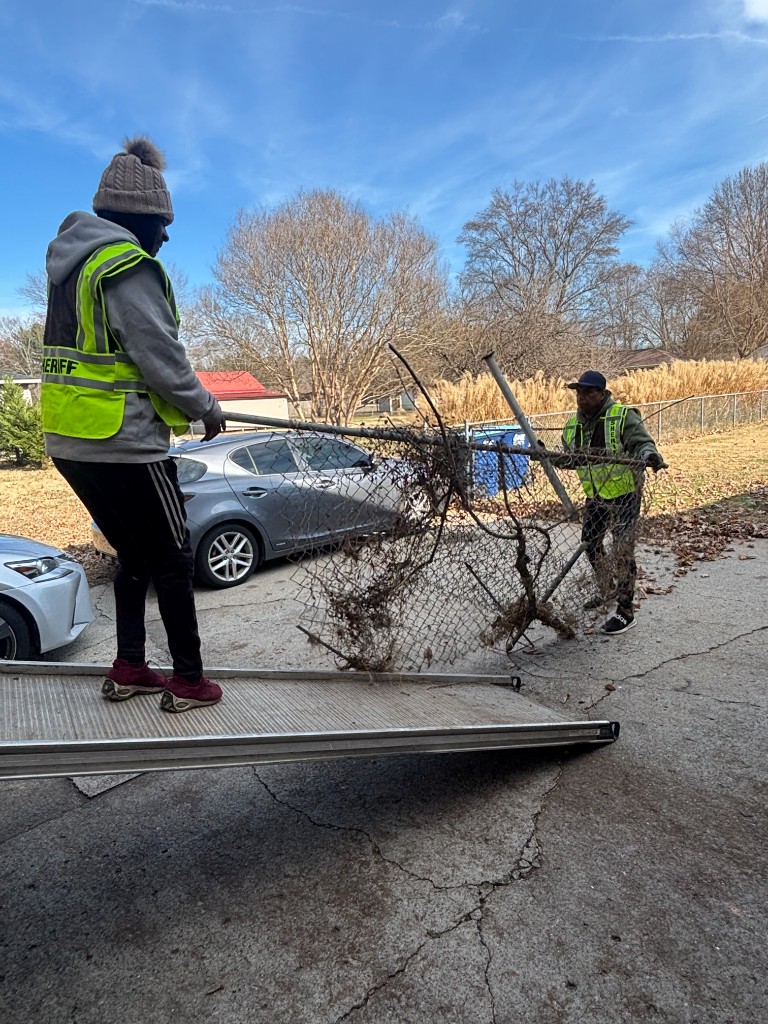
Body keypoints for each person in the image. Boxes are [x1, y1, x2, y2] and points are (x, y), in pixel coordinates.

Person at [41, 136, 226, 712]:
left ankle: (129, 668)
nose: (166, 235)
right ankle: (190, 681)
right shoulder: (126, 266)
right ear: (138, 218)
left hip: (72, 444)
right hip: (126, 445)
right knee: (172, 557)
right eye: (162, 223)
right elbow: (161, 358)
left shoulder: (70, 269)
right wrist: (206, 408)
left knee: (135, 558)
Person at [561, 370, 666, 636]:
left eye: (588, 392)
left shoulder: (622, 417)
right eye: (579, 392)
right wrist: (544, 455)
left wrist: (649, 456)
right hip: (596, 496)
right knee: (591, 544)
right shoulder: (574, 425)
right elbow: (572, 459)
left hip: (625, 494)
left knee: (621, 550)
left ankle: (625, 611)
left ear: (602, 393)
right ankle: (606, 591)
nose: (582, 398)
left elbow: (642, 443)